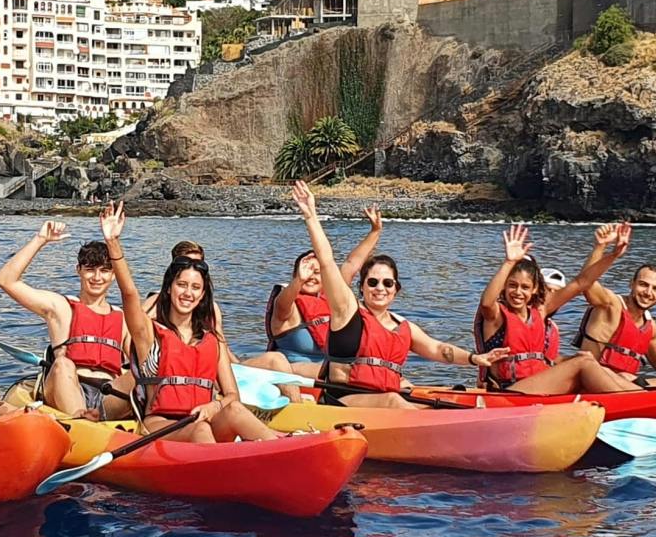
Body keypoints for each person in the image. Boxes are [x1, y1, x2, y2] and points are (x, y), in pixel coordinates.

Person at [290, 181, 508, 407]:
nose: (380, 288)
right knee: (394, 401)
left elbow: (438, 349)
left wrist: (474, 359)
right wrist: (311, 217)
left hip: (386, 401)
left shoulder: (403, 326)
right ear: (362, 287)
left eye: (387, 283)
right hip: (343, 401)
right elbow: (327, 262)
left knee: (429, 402)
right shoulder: (346, 311)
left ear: (396, 289)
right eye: (372, 282)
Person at [103, 201, 280, 446]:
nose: (188, 293)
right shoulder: (149, 335)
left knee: (234, 411)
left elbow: (232, 395)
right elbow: (130, 293)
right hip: (161, 424)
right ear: (168, 289)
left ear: (203, 294)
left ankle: (282, 451)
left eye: (195, 287)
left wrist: (213, 405)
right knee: (200, 431)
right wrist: (113, 243)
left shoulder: (212, 340)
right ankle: (221, 475)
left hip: (204, 420)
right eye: (181, 285)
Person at [0, 221, 134, 420]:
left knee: (142, 375)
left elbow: (146, 362)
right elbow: (6, 279)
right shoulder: (61, 307)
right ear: (78, 270)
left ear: (113, 275)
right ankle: (79, 421)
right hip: (68, 386)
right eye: (90, 269)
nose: (97, 277)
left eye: (104, 271)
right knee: (62, 364)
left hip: (108, 397)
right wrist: (40, 240)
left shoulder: (123, 318)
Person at [470, 224, 629, 397]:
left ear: (534, 289)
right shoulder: (496, 316)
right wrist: (509, 262)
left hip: (538, 383)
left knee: (587, 359)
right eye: (512, 286)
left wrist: (613, 255)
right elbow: (486, 303)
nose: (517, 292)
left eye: (525, 287)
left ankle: (638, 396)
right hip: (509, 391)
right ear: (504, 287)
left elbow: (581, 282)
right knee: (584, 363)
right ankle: (631, 403)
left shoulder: (540, 311)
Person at [565, 222, 656, 390]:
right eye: (643, 284)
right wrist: (600, 247)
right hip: (592, 385)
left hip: (625, 388)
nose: (648, 292)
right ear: (632, 284)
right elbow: (586, 283)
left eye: (655, 289)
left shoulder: (651, 327)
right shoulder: (611, 306)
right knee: (628, 378)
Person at [256, 206, 384, 375]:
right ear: (295, 275)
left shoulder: (330, 298)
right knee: (344, 372)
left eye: (317, 272)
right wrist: (299, 280)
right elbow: (282, 304)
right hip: (290, 373)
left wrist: (375, 231)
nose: (311, 277)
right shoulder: (287, 304)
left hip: (330, 374)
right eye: (306, 271)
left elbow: (351, 265)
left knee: (364, 369)